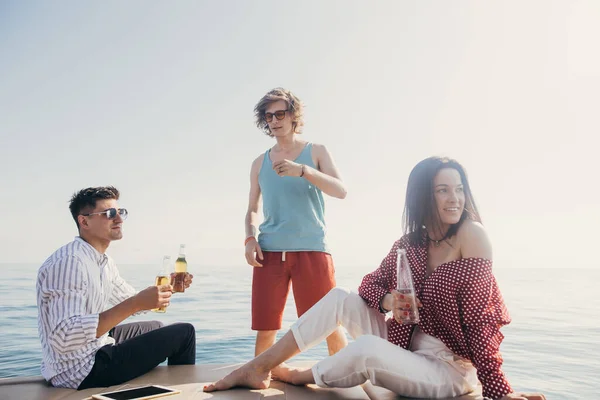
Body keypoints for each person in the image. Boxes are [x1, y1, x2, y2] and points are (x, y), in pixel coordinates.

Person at [205, 157, 546, 400]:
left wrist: (500, 392)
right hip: (404, 344)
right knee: (340, 296)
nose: (454, 198)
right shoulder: (409, 243)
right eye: (442, 190)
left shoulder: (472, 235)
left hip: (448, 367)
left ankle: (299, 375)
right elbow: (369, 284)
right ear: (423, 195)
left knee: (366, 349)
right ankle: (259, 366)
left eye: (458, 189)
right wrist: (387, 300)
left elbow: (478, 320)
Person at [36, 186, 196, 390]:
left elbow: (135, 301)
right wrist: (136, 303)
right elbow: (65, 337)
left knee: (157, 326)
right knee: (184, 333)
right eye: (109, 213)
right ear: (84, 221)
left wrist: (170, 287)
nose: (119, 219)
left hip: (92, 348)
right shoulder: (70, 262)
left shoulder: (103, 262)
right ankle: (185, 393)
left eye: (121, 212)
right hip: (80, 370)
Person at [244, 88, 348, 359]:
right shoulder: (259, 163)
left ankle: (347, 377)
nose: (274, 121)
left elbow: (340, 190)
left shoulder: (316, 151)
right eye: (269, 116)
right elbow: (252, 210)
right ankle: (259, 375)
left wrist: (303, 171)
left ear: (293, 116)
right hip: (269, 250)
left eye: (280, 113)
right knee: (266, 326)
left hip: (311, 248)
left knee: (328, 325)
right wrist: (249, 239)